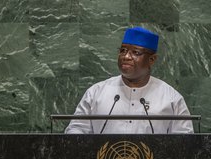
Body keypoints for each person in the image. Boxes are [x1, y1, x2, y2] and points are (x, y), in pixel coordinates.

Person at [65, 27, 194, 134]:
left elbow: (184, 142)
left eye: (136, 53)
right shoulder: (96, 92)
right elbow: (76, 131)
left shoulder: (171, 98)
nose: (126, 57)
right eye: (123, 50)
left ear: (152, 59)